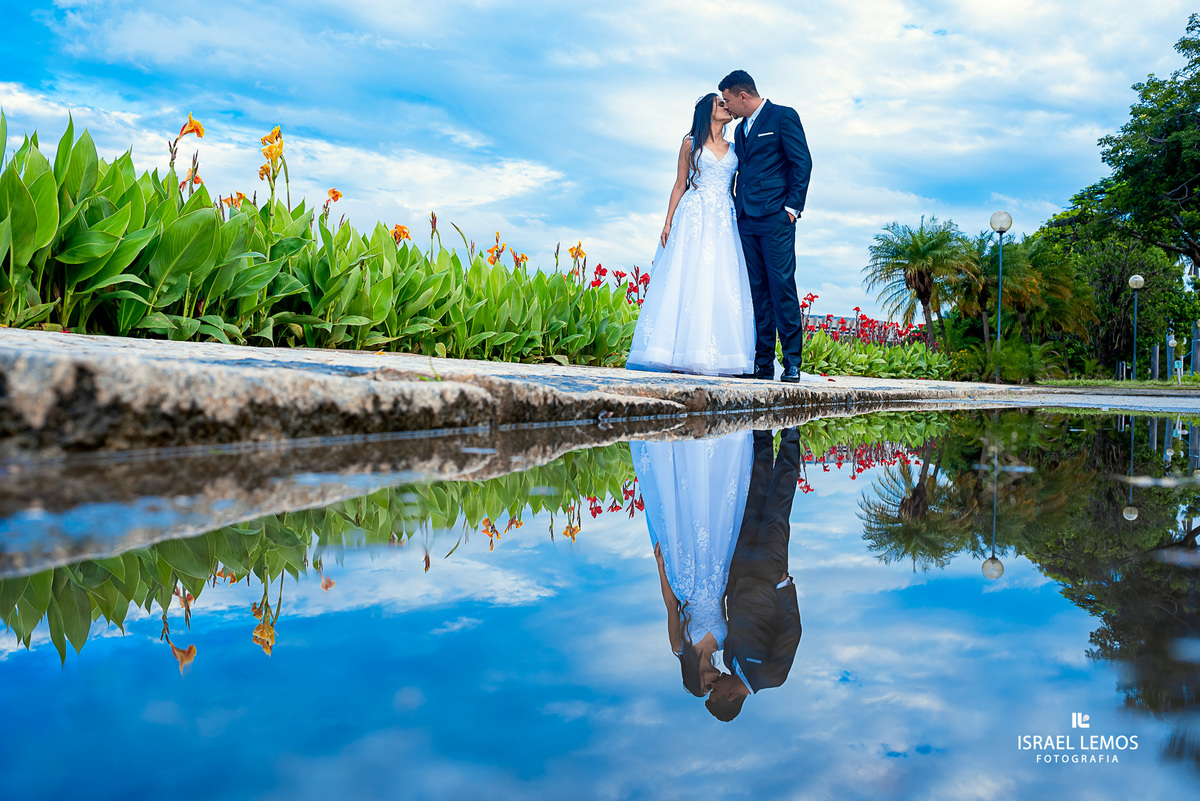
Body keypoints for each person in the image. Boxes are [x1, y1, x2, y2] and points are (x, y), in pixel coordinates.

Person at [626, 93, 755, 377]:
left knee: (720, 279)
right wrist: (668, 222)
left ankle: (715, 353)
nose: (726, 106)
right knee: (687, 276)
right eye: (720, 104)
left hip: (723, 217)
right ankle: (675, 351)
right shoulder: (690, 144)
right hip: (694, 215)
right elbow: (679, 184)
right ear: (708, 112)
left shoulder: (735, 147)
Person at [631, 432, 754, 695]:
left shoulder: (679, 646)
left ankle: (679, 449)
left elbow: (670, 605)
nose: (713, 685)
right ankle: (715, 446)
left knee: (685, 515)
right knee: (715, 515)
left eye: (707, 687)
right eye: (713, 689)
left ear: (694, 680)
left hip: (685, 579)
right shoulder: (725, 647)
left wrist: (660, 566)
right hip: (717, 578)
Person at [719, 70, 813, 383]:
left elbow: (802, 162)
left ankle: (793, 362)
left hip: (776, 217)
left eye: (728, 100)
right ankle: (763, 364)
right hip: (746, 218)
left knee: (781, 287)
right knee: (757, 291)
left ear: (743, 96)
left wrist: (791, 209)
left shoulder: (783, 116)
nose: (727, 106)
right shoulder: (741, 129)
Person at [706, 427, 804, 721]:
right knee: (779, 501)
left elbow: (731, 614)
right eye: (715, 691)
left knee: (755, 492)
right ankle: (792, 433)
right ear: (730, 697)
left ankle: (762, 431)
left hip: (740, 563)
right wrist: (784, 586)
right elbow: (791, 632)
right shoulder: (772, 676)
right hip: (769, 570)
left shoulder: (728, 659)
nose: (713, 685)